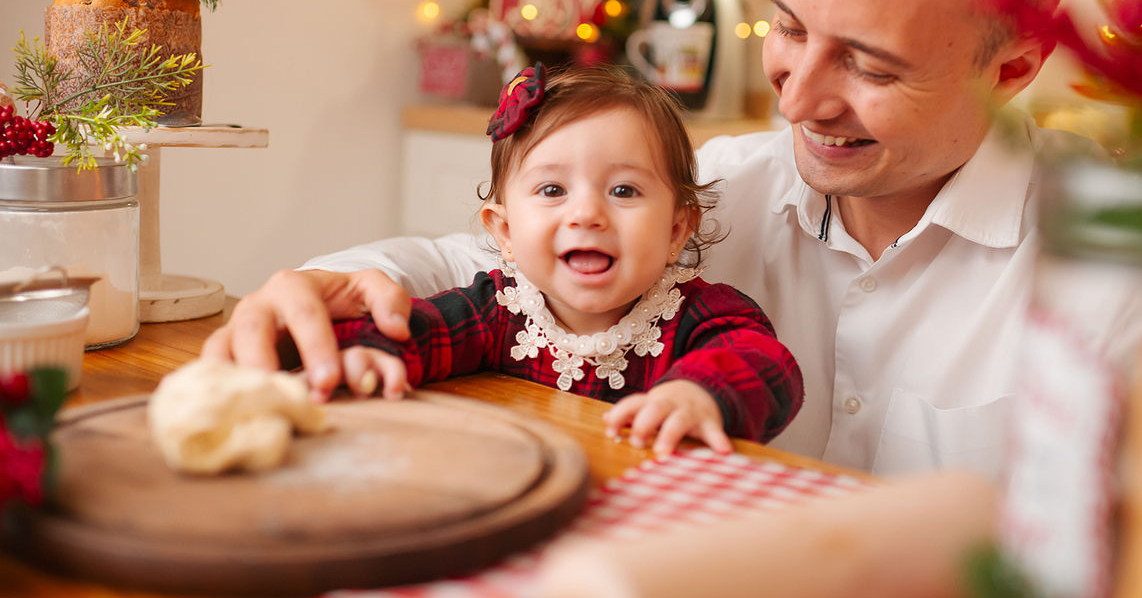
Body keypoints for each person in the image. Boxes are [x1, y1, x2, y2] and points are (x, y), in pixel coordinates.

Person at [202, 0, 1142, 479]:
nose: (802, 97)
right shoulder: (716, 191)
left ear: (1015, 66)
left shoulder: (1127, 278)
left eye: (869, 65)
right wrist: (325, 284)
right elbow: (471, 263)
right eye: (787, 28)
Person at [254, 64, 804, 456]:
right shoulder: (501, 310)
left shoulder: (701, 316)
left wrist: (699, 394)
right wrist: (371, 354)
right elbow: (419, 330)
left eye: (624, 191)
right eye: (551, 191)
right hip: (524, 501)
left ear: (676, 230)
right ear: (506, 232)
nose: (586, 214)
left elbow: (767, 364)